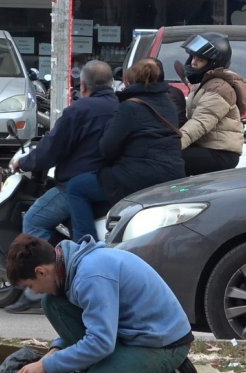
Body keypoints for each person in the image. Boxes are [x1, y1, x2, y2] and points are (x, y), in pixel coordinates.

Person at [6, 233, 201, 373]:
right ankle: (99, 369)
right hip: (129, 336)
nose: (35, 292)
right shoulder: (69, 265)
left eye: (31, 286)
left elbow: (101, 342)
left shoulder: (90, 276)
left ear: (41, 272)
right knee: (52, 303)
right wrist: (56, 350)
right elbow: (90, 323)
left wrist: (47, 366)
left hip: (163, 344)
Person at [4, 60, 119, 313]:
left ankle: (38, 288)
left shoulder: (79, 110)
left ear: (83, 85)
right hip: (108, 183)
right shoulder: (119, 107)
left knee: (34, 220)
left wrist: (23, 162)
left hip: (76, 183)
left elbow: (51, 148)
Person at [64, 58, 186, 241]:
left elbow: (107, 149)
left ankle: (85, 246)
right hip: (173, 173)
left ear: (129, 81)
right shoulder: (168, 103)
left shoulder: (129, 107)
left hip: (140, 176)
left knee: (76, 187)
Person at [179, 32, 246, 175]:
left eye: (200, 59)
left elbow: (200, 123)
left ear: (213, 63)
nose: (193, 62)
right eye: (192, 57)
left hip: (220, 153)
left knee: (170, 159)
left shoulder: (218, 87)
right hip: (206, 147)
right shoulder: (203, 84)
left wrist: (174, 144)